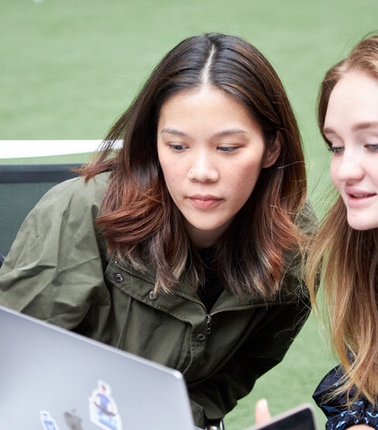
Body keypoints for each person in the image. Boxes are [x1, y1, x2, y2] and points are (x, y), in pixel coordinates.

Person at [0, 33, 315, 429]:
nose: (201, 173)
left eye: (228, 148)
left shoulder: (294, 246)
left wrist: (181, 420)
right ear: (153, 144)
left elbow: (231, 377)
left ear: (272, 149)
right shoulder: (80, 212)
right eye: (178, 147)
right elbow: (10, 372)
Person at [306, 34, 378, 429]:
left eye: (374, 144)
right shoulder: (365, 247)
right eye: (335, 146)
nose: (344, 171)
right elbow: (364, 383)